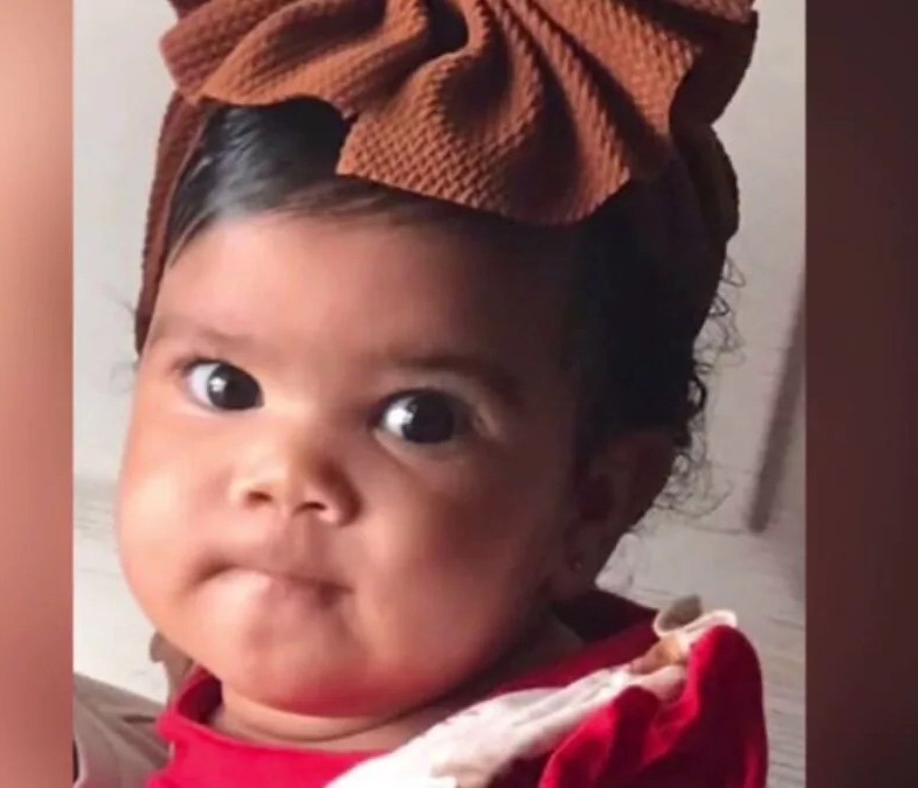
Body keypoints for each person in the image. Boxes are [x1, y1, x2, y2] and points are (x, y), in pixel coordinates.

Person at [76, 0, 767, 785]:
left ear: (591, 505)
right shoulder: (233, 676)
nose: (285, 475)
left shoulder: (580, 765)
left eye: (419, 419)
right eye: (226, 386)